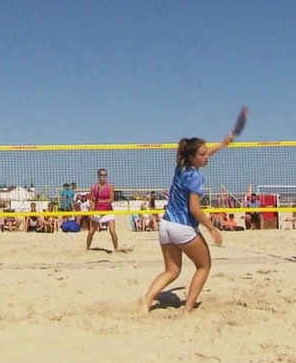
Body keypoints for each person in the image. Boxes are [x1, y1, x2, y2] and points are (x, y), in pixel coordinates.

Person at [139, 131, 234, 315]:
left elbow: (201, 156)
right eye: (203, 154)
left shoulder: (180, 167)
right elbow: (195, 209)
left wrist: (222, 144)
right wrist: (212, 228)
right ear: (192, 156)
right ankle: (188, 309)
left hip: (165, 225)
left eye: (207, 153)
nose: (207, 157)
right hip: (182, 228)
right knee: (204, 266)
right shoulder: (196, 178)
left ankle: (146, 301)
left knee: (172, 270)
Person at [86, 168, 118, 252]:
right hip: (97, 211)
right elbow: (92, 199)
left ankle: (116, 249)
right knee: (91, 232)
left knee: (112, 231)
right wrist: (91, 207)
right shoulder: (94, 187)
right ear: (98, 176)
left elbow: (111, 199)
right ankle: (87, 248)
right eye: (101, 175)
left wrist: (101, 201)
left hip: (108, 212)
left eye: (104, 175)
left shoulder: (110, 186)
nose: (103, 177)